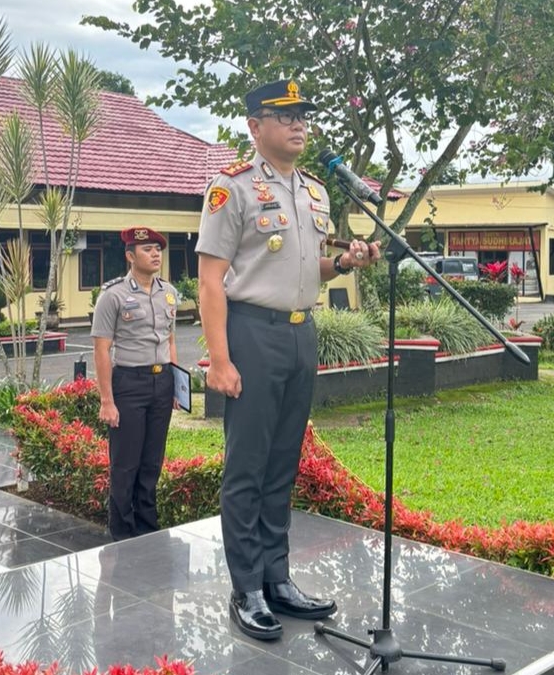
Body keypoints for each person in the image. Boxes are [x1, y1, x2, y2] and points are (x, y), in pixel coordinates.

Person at [195, 79, 381, 641]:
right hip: (251, 334)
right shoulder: (233, 190)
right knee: (247, 466)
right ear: (255, 126)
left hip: (302, 334)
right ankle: (246, 586)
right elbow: (210, 282)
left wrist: (343, 262)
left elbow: (310, 270)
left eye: (303, 116)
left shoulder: (315, 192)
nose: (299, 125)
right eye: (285, 116)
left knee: (282, 463)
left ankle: (277, 577)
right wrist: (220, 361)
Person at [91, 226, 180, 541]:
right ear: (130, 255)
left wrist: (175, 384)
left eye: (158, 249)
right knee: (125, 464)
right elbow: (102, 349)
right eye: (147, 249)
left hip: (162, 381)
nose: (156, 254)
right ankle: (122, 533)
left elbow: (170, 340)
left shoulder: (169, 292)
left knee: (152, 461)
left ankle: (147, 528)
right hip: (129, 381)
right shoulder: (113, 295)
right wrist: (107, 400)